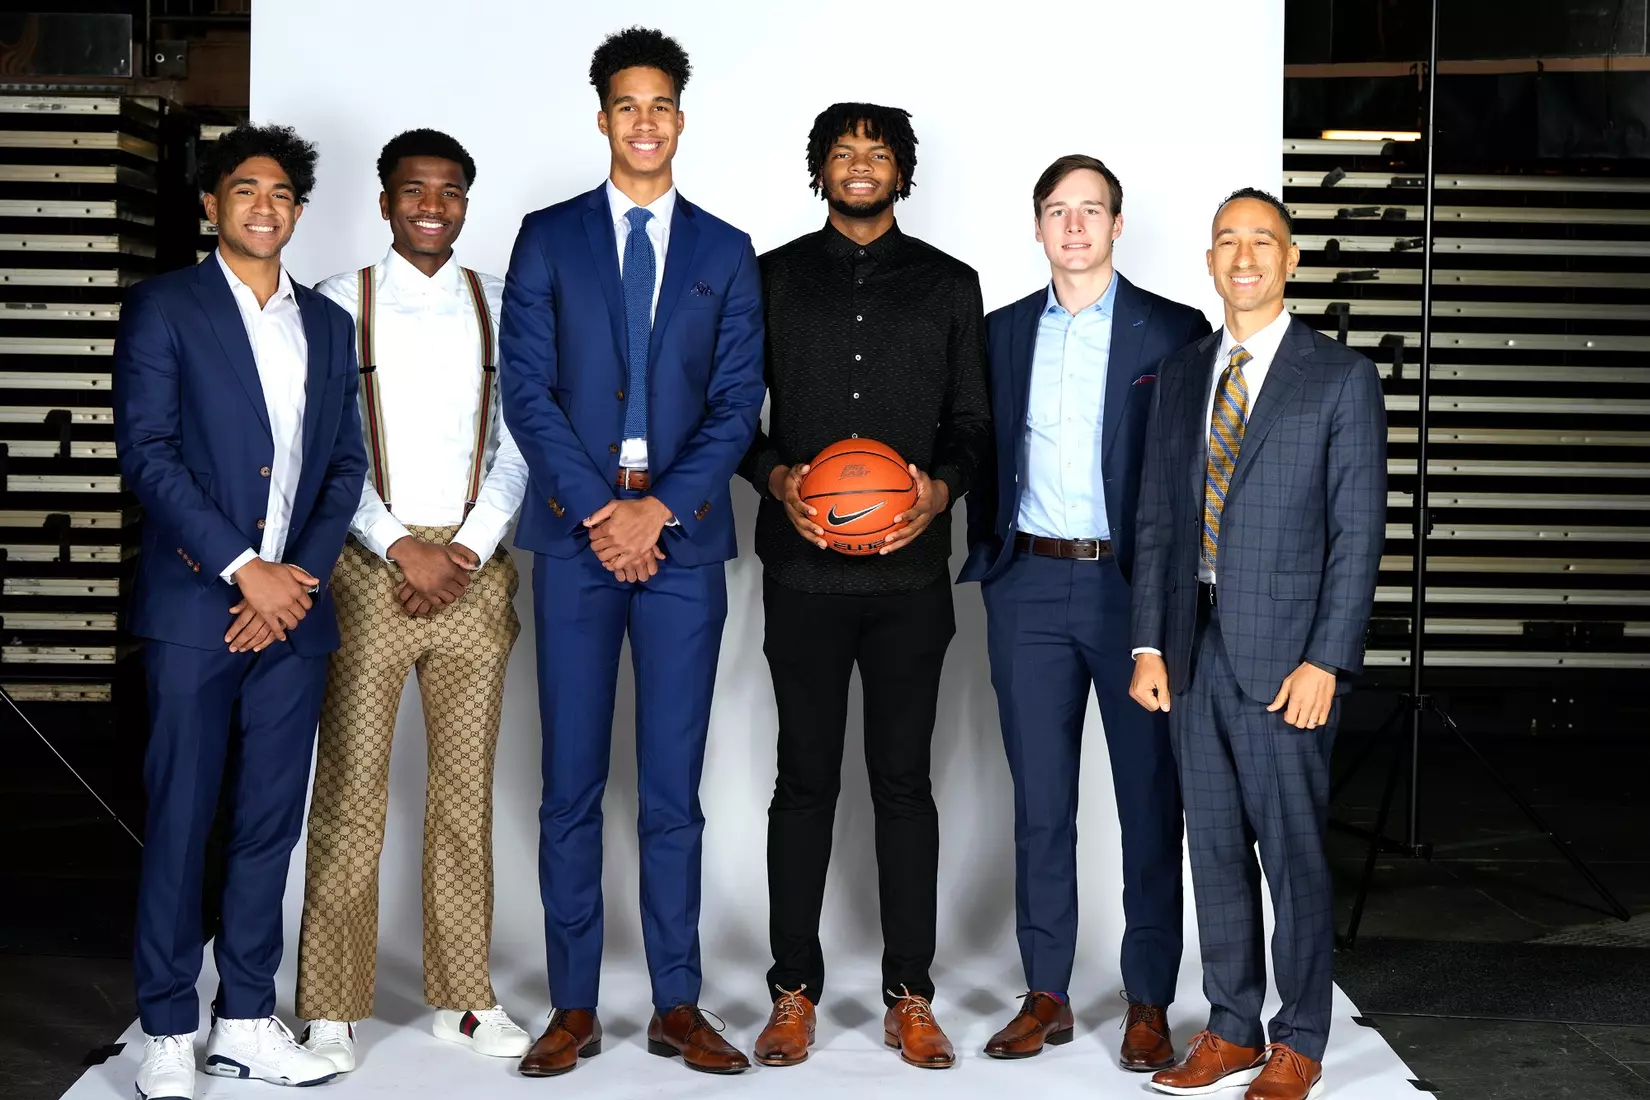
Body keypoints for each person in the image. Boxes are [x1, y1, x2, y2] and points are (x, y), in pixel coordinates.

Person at [501, 27, 764, 1077]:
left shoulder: (724, 249)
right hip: (574, 543)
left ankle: (677, 1000)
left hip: (683, 548)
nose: (645, 120)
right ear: (602, 116)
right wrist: (598, 511)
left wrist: (662, 512)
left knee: (670, 790)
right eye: (627, 104)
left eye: (661, 104)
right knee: (567, 783)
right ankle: (571, 1004)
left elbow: (740, 400)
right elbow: (528, 387)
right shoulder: (548, 237)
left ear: (681, 120)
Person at [114, 123, 366, 1100]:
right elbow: (148, 453)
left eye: (284, 194)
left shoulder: (330, 325)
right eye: (246, 189)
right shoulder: (165, 306)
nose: (267, 206)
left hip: (293, 616)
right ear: (212, 205)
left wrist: (291, 578)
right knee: (182, 817)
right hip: (195, 609)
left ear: (299, 211)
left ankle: (248, 1017)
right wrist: (239, 568)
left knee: (269, 821)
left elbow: (343, 465)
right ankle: (170, 1023)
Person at [741, 102, 990, 1072]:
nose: (858, 164)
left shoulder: (948, 285)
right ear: (820, 169)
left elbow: (973, 423)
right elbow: (735, 415)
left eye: (875, 151)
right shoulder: (770, 279)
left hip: (910, 577)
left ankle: (909, 994)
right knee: (801, 781)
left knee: (903, 784)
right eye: (842, 152)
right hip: (801, 571)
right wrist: (777, 479)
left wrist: (937, 489)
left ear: (901, 170)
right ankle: (792, 989)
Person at [1131, 188, 1386, 1100]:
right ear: (1207, 261)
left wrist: (1328, 660)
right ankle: (1232, 1026)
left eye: (1263, 242)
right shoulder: (1184, 371)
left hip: (1288, 663)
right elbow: (1160, 518)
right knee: (1215, 853)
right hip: (1191, 651)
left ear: (1292, 258)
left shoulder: (1340, 378)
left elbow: (1359, 534)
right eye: (1227, 242)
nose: (1244, 257)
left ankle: (1301, 1038)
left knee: (1291, 854)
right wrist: (1149, 646)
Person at [961, 154, 1211, 1069]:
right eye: (1057, 211)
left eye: (1091, 211)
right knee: (1041, 800)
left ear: (1117, 226)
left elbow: (1194, 472)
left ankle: (1148, 998)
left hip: (1132, 592)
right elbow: (978, 445)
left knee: (1151, 796)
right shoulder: (1002, 332)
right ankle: (1048, 991)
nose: (1074, 226)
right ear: (1036, 227)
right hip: (1027, 584)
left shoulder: (1174, 331)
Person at [293, 128, 532, 1074]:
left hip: (474, 569)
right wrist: (396, 545)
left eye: (449, 191)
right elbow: (327, 444)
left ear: (465, 202)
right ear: (386, 200)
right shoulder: (335, 305)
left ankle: (465, 997)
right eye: (413, 189)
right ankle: (332, 1003)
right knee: (349, 788)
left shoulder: (500, 305)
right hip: (366, 566)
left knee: (463, 795)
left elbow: (521, 438)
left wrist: (468, 548)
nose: (431, 204)